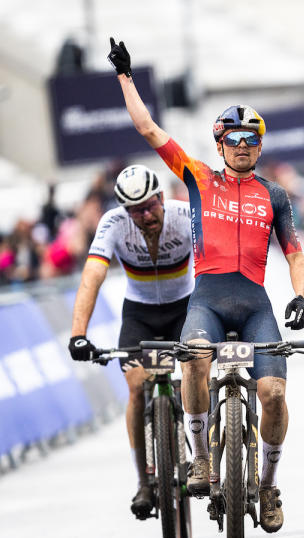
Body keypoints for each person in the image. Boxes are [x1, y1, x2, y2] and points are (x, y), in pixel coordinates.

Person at [108, 37, 304, 533]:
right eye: (234, 141)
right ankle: (200, 458)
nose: (243, 149)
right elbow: (148, 128)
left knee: (274, 393)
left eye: (251, 141)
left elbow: (296, 256)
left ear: (260, 147)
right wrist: (126, 78)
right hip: (209, 299)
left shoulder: (276, 195)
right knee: (194, 358)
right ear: (220, 146)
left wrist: (301, 296)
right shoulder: (197, 177)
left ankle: (268, 486)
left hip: (256, 303)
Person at [69, 164, 194, 519]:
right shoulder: (113, 223)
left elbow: (216, 263)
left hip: (183, 307)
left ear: (162, 198)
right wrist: (78, 334)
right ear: (124, 209)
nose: (146, 214)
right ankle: (144, 480)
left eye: (151, 205)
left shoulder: (185, 215)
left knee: (195, 372)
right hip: (139, 314)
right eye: (136, 210)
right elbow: (92, 275)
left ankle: (200, 456)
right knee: (137, 387)